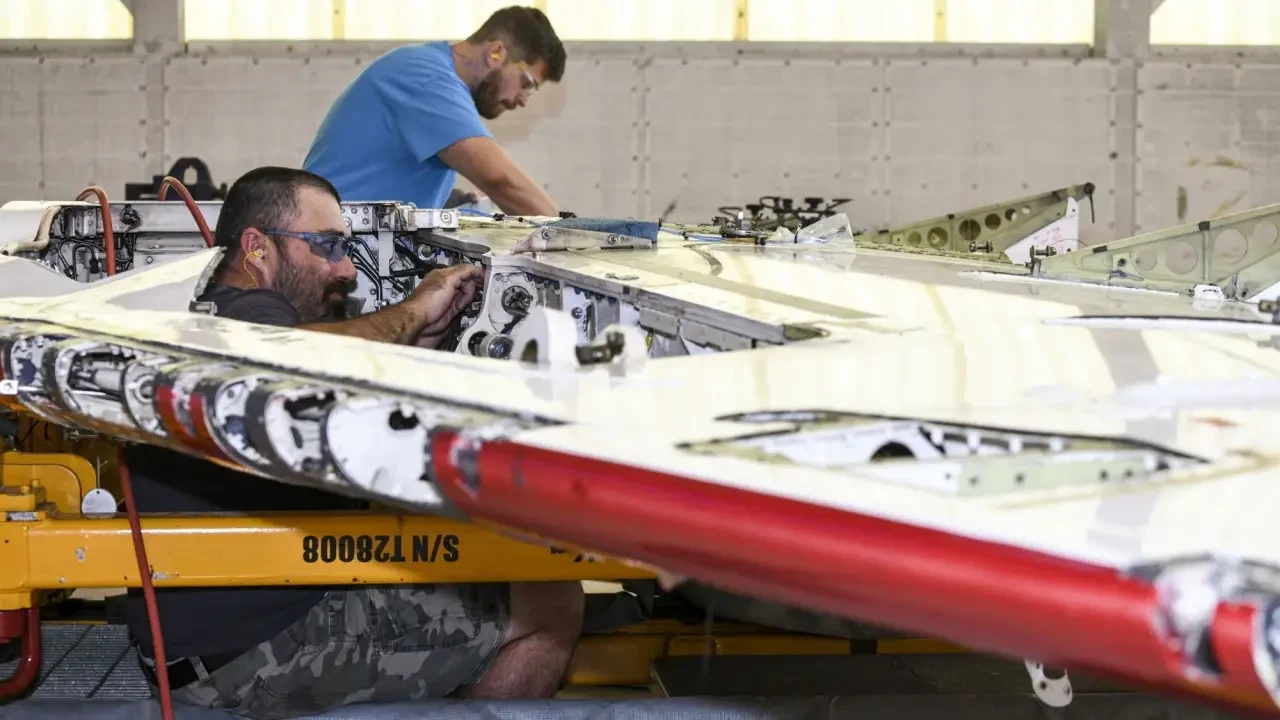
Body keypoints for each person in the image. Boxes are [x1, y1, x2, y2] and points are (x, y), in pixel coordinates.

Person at [124, 166, 584, 720]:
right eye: (327, 246)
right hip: (257, 659)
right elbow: (298, 358)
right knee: (551, 599)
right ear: (257, 248)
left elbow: (337, 403)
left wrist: (419, 340)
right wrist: (414, 309)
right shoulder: (251, 323)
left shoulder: (200, 311)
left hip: (195, 651)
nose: (346, 269)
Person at [303, 6, 564, 217]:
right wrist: (571, 237)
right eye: (527, 83)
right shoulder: (427, 77)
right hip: (332, 248)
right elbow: (499, 179)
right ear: (495, 53)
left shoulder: (426, 70)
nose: (523, 100)